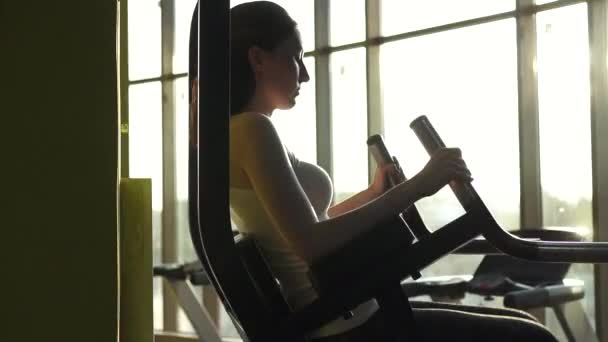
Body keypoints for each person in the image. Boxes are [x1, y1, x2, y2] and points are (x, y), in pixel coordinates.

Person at [189, 2, 558, 341]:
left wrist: (374, 194)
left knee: (528, 328)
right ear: (258, 59)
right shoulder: (253, 130)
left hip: (351, 312)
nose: (304, 76)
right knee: (535, 339)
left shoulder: (240, 133)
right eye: (294, 59)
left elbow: (305, 225)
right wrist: (418, 186)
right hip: (345, 323)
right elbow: (311, 244)